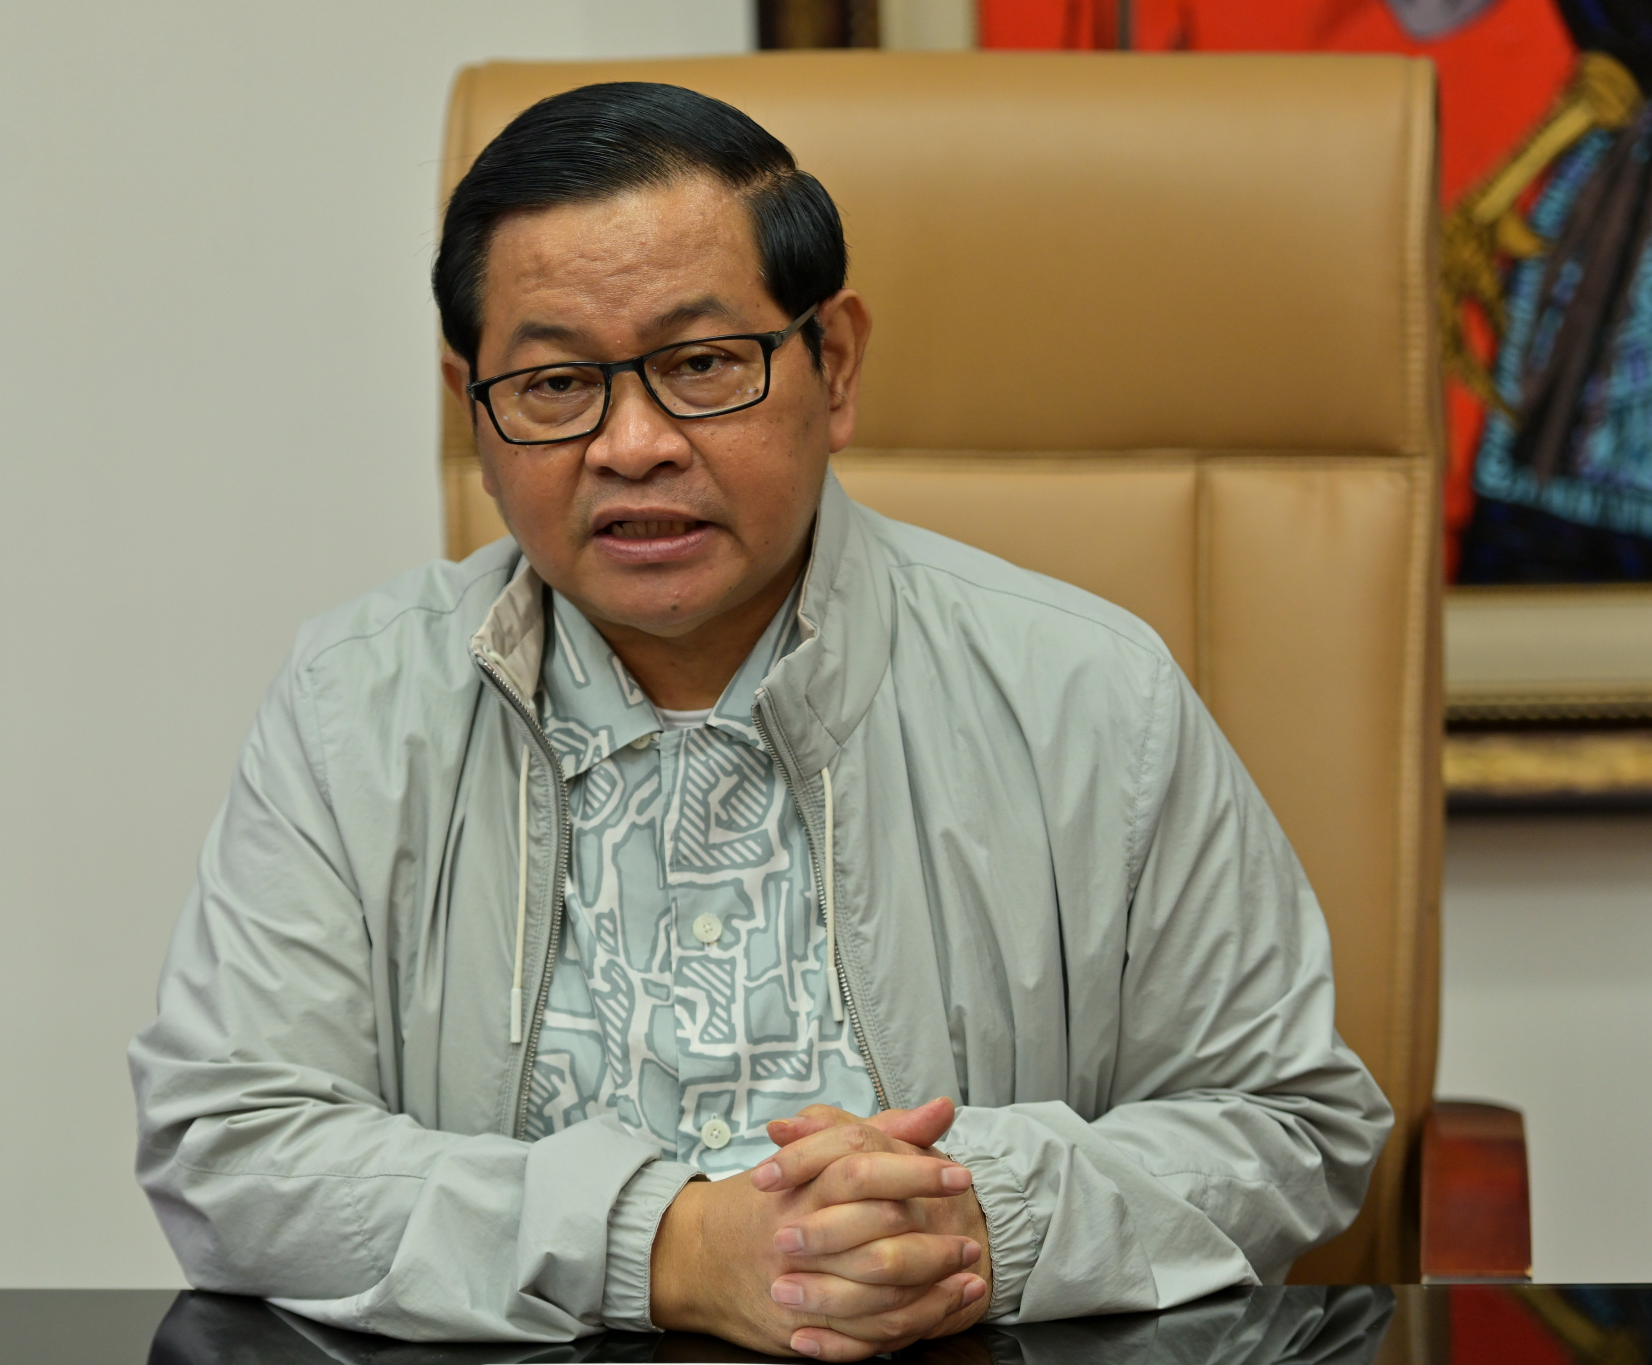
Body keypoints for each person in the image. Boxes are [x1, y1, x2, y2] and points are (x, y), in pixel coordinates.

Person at [128, 81, 1391, 1361]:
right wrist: (668, 1248)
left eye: (701, 366)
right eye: (554, 383)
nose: (631, 444)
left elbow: (1284, 1124)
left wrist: (970, 1222)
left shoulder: (1090, 695)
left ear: (832, 366)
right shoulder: (354, 704)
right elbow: (229, 1144)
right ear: (474, 409)